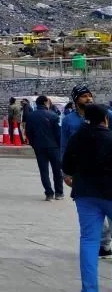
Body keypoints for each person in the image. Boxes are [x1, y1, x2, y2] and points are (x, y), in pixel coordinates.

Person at [62, 103, 112, 292]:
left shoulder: (77, 138)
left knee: (89, 240)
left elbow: (67, 166)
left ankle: (89, 289)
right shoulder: (110, 137)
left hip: (85, 195)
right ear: (105, 119)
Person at [24, 95, 63, 201]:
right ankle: (59, 193)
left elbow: (28, 133)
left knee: (44, 171)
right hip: (54, 146)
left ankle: (49, 193)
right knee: (57, 171)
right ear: (46, 102)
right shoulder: (54, 115)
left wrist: (34, 144)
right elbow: (58, 134)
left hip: (39, 147)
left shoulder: (31, 116)